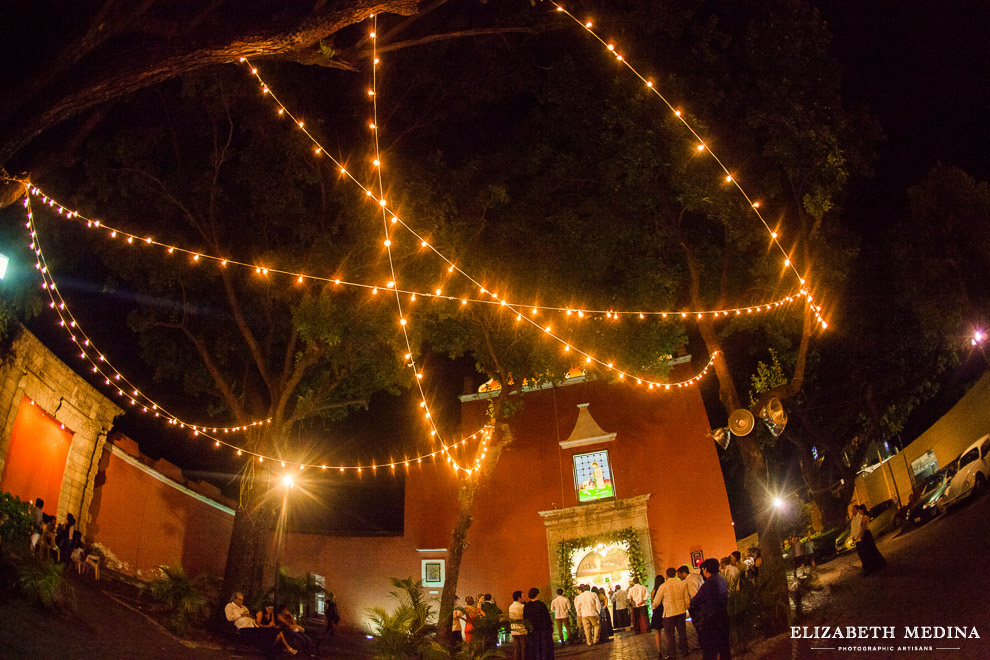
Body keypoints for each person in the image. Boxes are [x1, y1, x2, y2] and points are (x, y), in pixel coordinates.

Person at [690, 558, 731, 660]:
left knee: (710, 651)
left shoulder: (708, 584)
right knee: (724, 648)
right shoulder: (722, 580)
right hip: (723, 617)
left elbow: (695, 601)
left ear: (706, 569)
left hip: (711, 621)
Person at [654, 568, 689, 659]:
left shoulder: (663, 586)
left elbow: (656, 601)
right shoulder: (682, 584)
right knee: (682, 632)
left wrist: (653, 607)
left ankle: (672, 654)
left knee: (670, 635)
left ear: (667, 575)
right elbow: (686, 598)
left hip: (669, 613)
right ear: (675, 574)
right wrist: (686, 607)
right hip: (680, 611)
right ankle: (685, 650)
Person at [852, 504, 887, 575]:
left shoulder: (864, 517)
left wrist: (861, 535)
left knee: (871, 549)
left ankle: (877, 564)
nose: (859, 512)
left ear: (862, 510)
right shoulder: (864, 516)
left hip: (866, 534)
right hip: (867, 534)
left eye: (859, 510)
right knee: (871, 549)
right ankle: (877, 564)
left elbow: (864, 527)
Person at [523, 587, 555, 659]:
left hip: (532, 630)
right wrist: (550, 627)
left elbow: (525, 618)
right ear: (537, 594)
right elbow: (546, 617)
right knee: (544, 648)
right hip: (543, 630)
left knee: (534, 648)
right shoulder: (541, 604)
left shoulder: (527, 606)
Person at [509, 590, 528, 659]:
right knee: (524, 649)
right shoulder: (522, 606)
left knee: (517, 650)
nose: (524, 597)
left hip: (514, 630)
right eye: (522, 596)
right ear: (518, 598)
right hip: (522, 630)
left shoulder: (510, 606)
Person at [650, 575, 666, 654]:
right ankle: (669, 647)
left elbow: (652, 603)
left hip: (657, 612)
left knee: (657, 632)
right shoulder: (665, 589)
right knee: (668, 631)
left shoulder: (653, 591)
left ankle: (659, 649)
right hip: (665, 611)